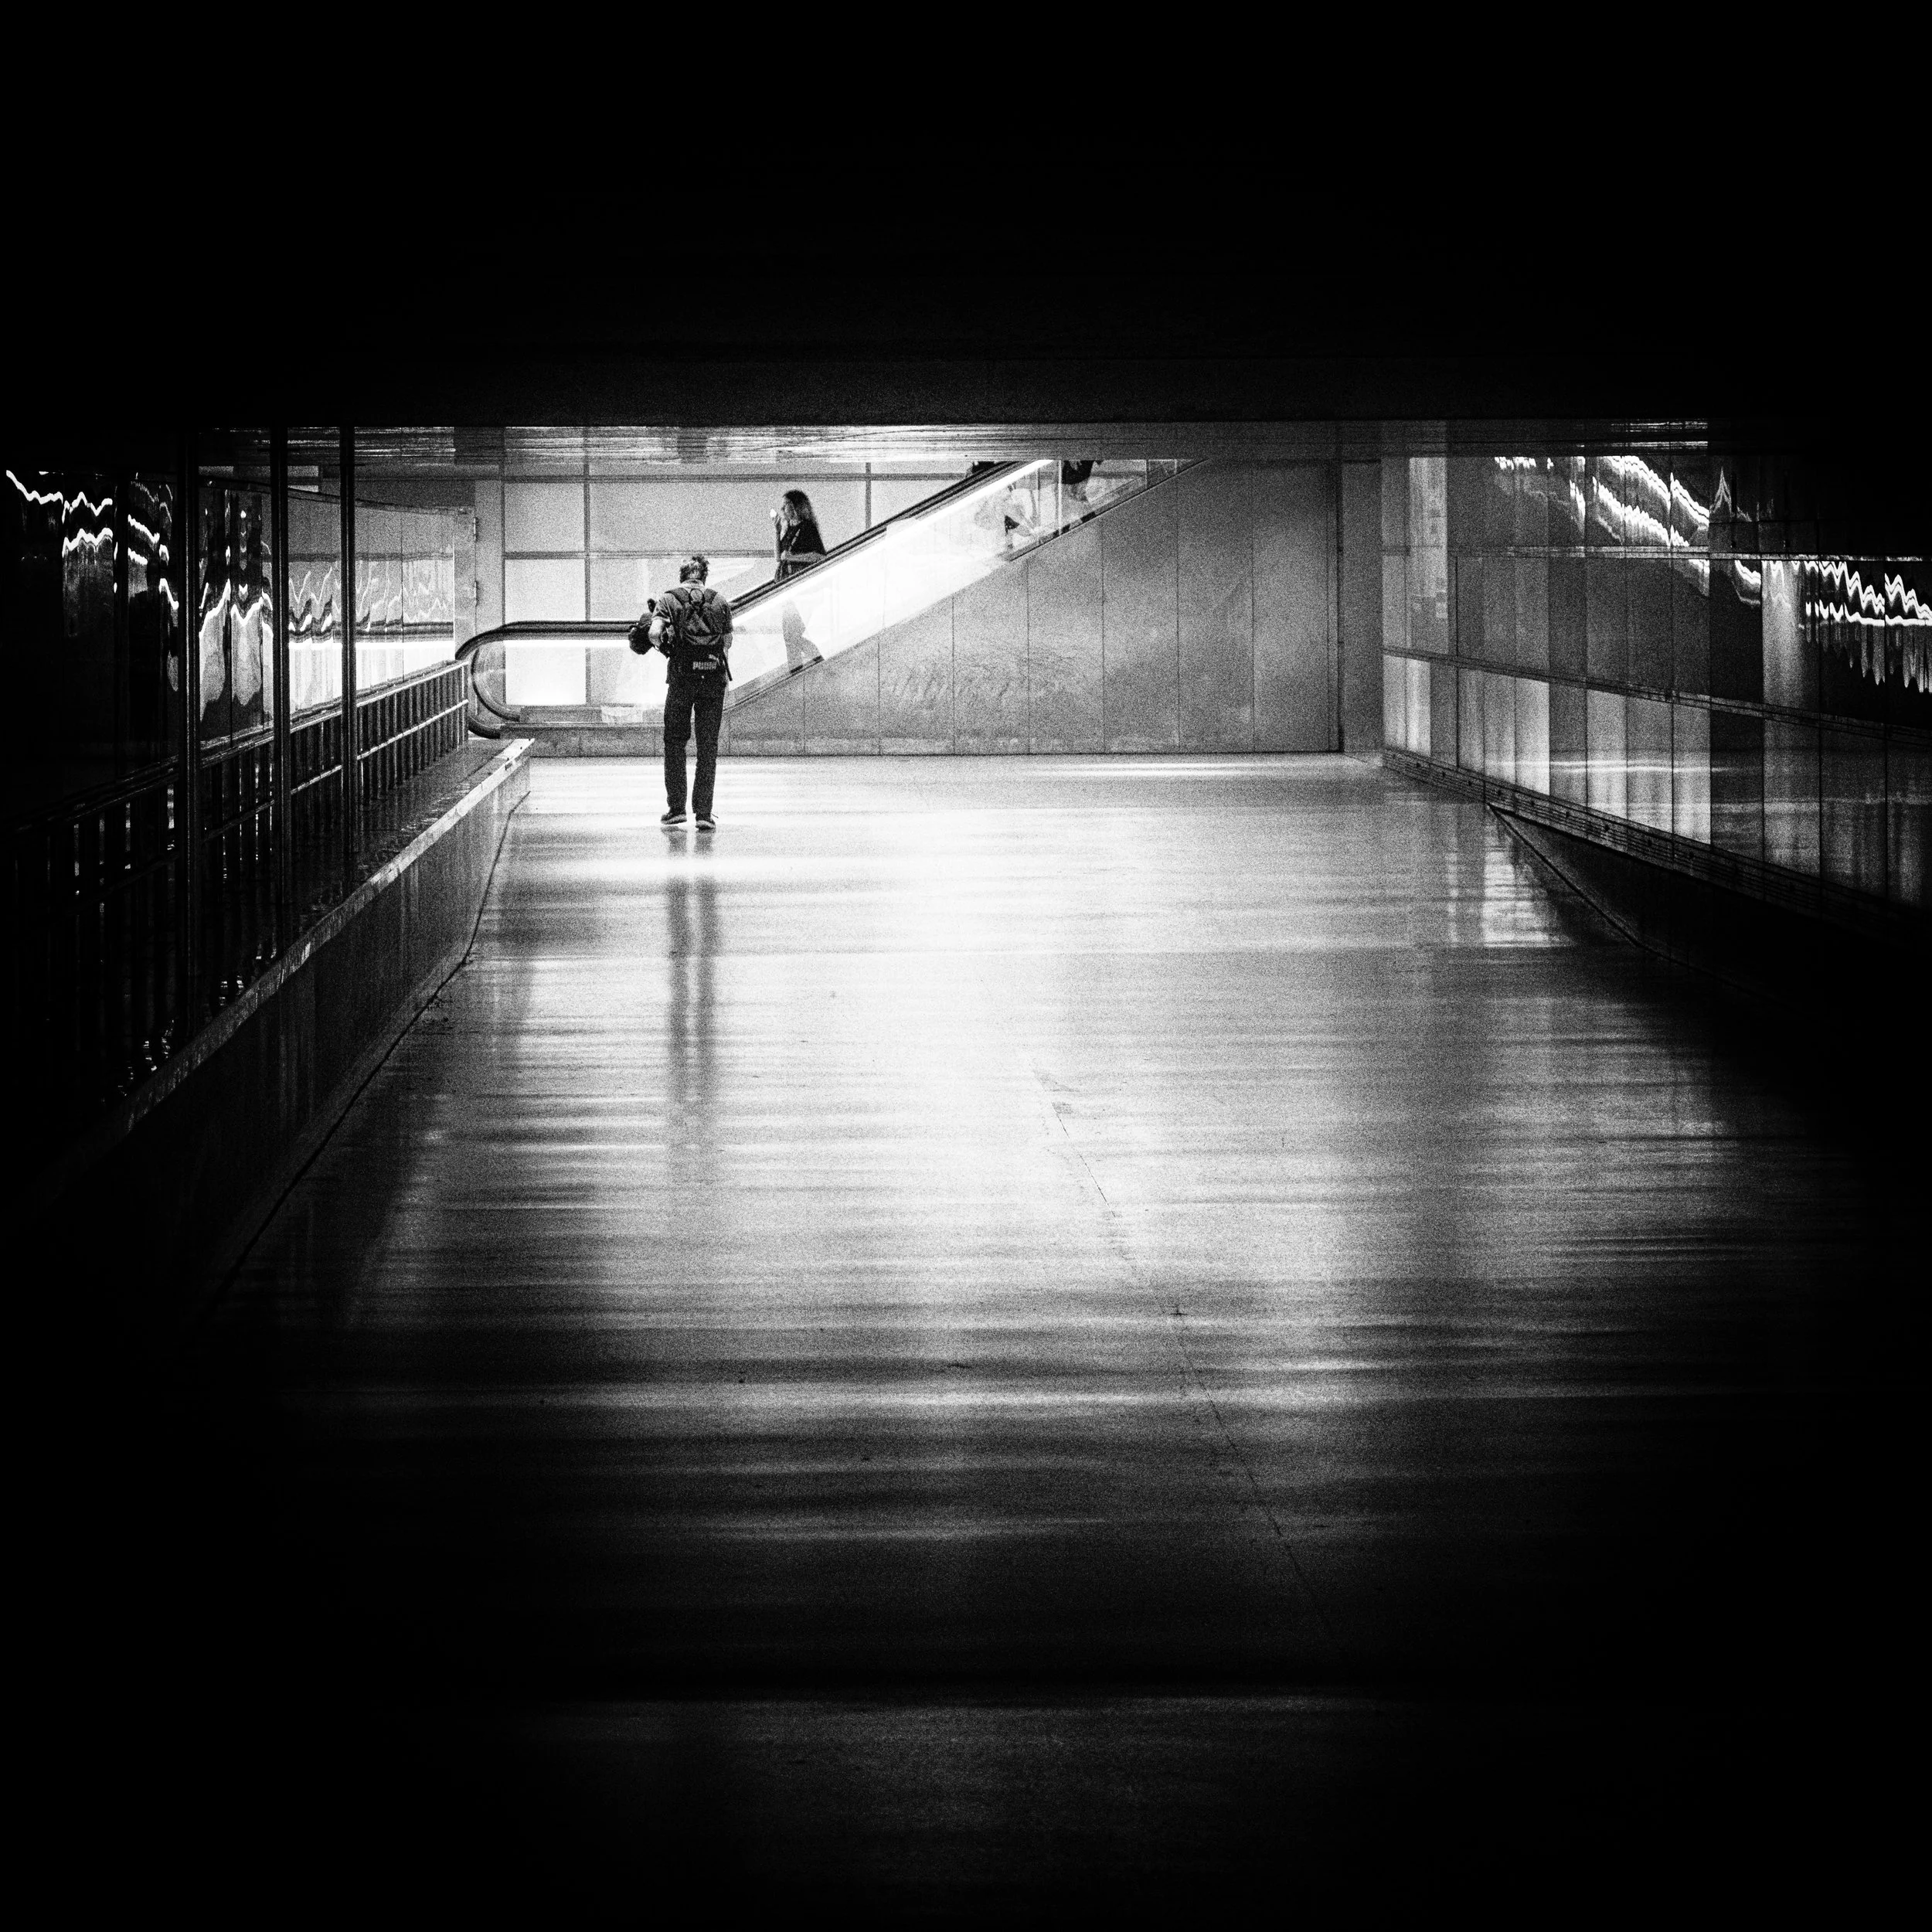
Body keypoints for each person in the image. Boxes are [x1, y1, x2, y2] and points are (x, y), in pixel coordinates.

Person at [647, 555, 733, 832]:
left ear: (682, 575)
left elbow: (653, 633)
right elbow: (728, 640)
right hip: (713, 678)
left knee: (674, 742)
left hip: (682, 678)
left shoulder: (669, 599)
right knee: (708, 746)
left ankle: (676, 810)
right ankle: (704, 814)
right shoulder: (720, 600)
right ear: (704, 577)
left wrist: (667, 649)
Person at [772, 489, 827, 581]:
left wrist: (792, 557)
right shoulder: (790, 528)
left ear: (795, 506)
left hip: (797, 581)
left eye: (786, 504)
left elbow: (820, 557)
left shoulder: (807, 527)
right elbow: (778, 557)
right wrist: (777, 532)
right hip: (783, 581)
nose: (782, 509)